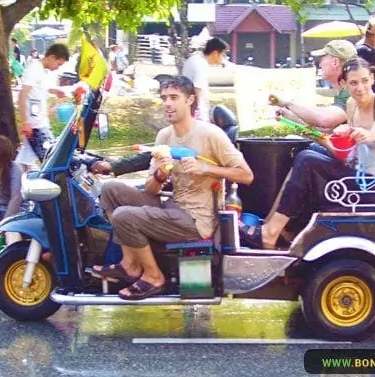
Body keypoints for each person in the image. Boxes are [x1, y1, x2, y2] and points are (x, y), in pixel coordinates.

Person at [89, 75, 254, 300]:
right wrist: (159, 175)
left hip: (198, 219)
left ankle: (154, 277)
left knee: (123, 216)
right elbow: (151, 191)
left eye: (174, 97)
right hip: (172, 207)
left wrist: (205, 169)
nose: (167, 103)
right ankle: (130, 264)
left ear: (189, 100)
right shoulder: (164, 136)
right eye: (164, 98)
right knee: (110, 190)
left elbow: (246, 175)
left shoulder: (210, 134)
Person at [240, 58, 375, 249]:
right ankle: (283, 232)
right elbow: (341, 147)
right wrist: (293, 120)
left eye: (365, 81)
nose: (360, 88)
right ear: (344, 84)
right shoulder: (351, 104)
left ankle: (271, 233)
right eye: (354, 83)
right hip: (357, 177)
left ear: (373, 78)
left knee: (308, 161)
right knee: (308, 156)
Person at [272, 40, 357, 133]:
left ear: (335, 62)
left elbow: (325, 120)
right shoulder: (344, 91)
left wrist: (287, 104)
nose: (320, 64)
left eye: (322, 59)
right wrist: (291, 116)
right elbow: (326, 131)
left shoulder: (351, 90)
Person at [14, 43, 71, 171]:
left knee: (25, 159)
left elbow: (40, 88)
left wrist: (55, 91)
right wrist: (25, 122)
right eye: (59, 63)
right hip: (35, 125)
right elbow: (22, 95)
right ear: (51, 57)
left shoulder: (42, 71)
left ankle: (20, 184)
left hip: (39, 122)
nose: (58, 68)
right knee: (49, 159)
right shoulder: (34, 69)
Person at [181, 37, 228, 122]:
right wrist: (198, 113)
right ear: (215, 53)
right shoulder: (201, 64)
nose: (223, 59)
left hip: (188, 109)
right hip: (196, 112)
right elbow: (197, 89)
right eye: (223, 55)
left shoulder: (193, 59)